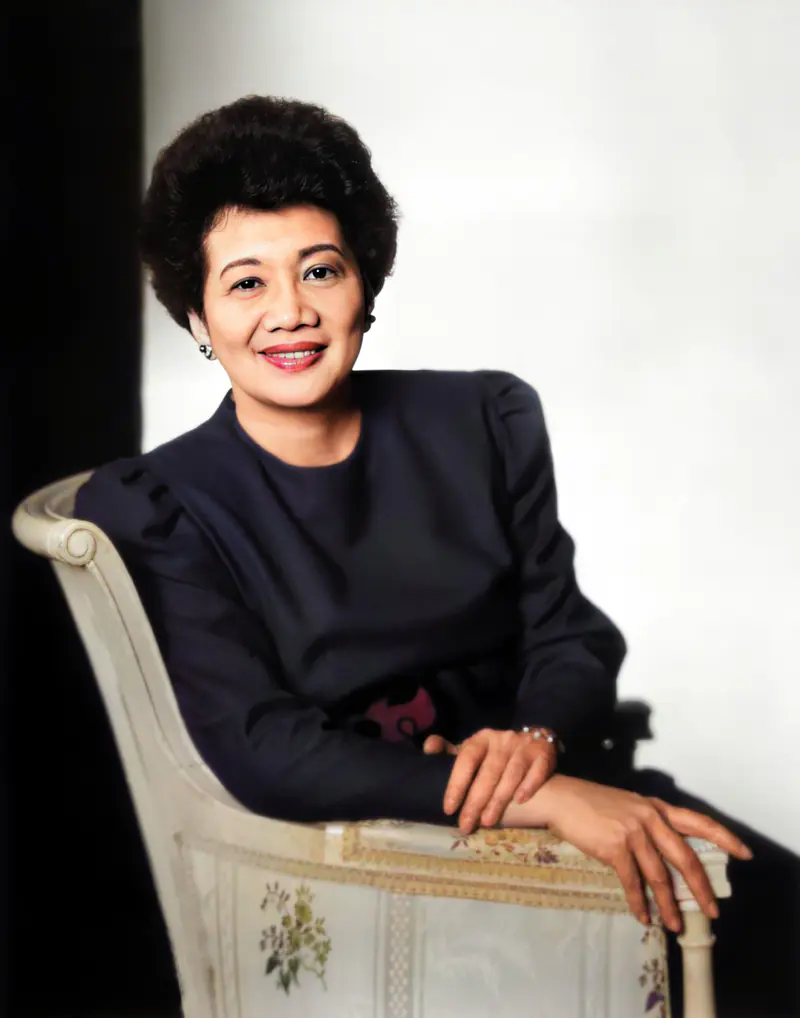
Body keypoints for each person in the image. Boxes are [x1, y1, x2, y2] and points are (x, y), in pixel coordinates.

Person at [76, 95, 750, 937]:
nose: (290, 311)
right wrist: (541, 798)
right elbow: (262, 751)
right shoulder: (158, 508)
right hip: (377, 863)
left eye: (321, 270)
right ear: (197, 317)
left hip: (580, 787)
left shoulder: (484, 421)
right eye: (246, 283)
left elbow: (569, 636)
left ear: (365, 284)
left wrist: (536, 740)